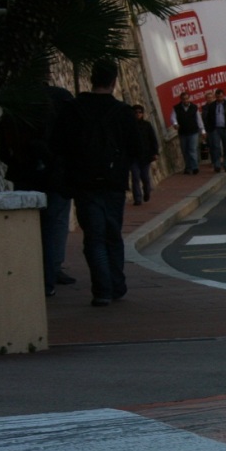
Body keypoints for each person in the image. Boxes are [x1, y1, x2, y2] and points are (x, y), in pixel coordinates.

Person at [54, 58, 141, 307]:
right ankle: (116, 284)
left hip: (83, 182)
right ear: (114, 82)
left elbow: (59, 144)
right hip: (113, 182)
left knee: (93, 236)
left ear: (92, 79)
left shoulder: (73, 109)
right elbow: (137, 148)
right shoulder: (123, 112)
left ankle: (102, 289)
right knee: (113, 234)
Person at [0, 84, 78, 295]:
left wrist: (16, 161)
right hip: (55, 176)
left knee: (30, 227)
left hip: (24, 174)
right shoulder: (62, 99)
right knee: (54, 225)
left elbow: (3, 150)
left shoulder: (16, 102)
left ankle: (34, 275)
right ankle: (51, 274)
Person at [201, 88, 226, 173]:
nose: (219, 99)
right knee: (216, 147)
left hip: (225, 128)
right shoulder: (212, 106)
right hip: (215, 129)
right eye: (217, 97)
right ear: (215, 97)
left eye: (221, 97)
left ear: (223, 96)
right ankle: (217, 165)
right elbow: (208, 118)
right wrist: (208, 129)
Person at [129, 104, 159, 205]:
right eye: (136, 112)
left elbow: (153, 139)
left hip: (146, 156)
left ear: (142, 114)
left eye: (140, 112)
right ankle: (137, 198)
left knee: (145, 177)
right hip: (133, 157)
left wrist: (155, 152)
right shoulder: (129, 126)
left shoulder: (147, 125)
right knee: (135, 177)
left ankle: (146, 192)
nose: (138, 114)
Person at [170, 91, 203, 174]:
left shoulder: (194, 107)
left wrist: (202, 130)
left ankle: (195, 167)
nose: (185, 101)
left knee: (192, 149)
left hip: (193, 132)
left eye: (187, 99)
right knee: (185, 151)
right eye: (183, 99)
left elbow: (199, 120)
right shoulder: (176, 108)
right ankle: (188, 167)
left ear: (189, 98)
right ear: (181, 99)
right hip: (183, 132)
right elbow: (173, 117)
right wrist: (175, 124)